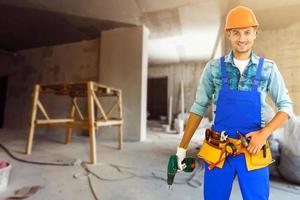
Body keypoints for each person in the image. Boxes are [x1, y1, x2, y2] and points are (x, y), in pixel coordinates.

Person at [175, 6, 293, 200]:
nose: (242, 38)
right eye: (236, 32)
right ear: (228, 34)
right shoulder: (213, 69)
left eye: (247, 32)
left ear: (256, 32)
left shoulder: (268, 69)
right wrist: (182, 148)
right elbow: (198, 108)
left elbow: (286, 106)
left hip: (253, 150)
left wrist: (264, 134)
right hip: (218, 150)